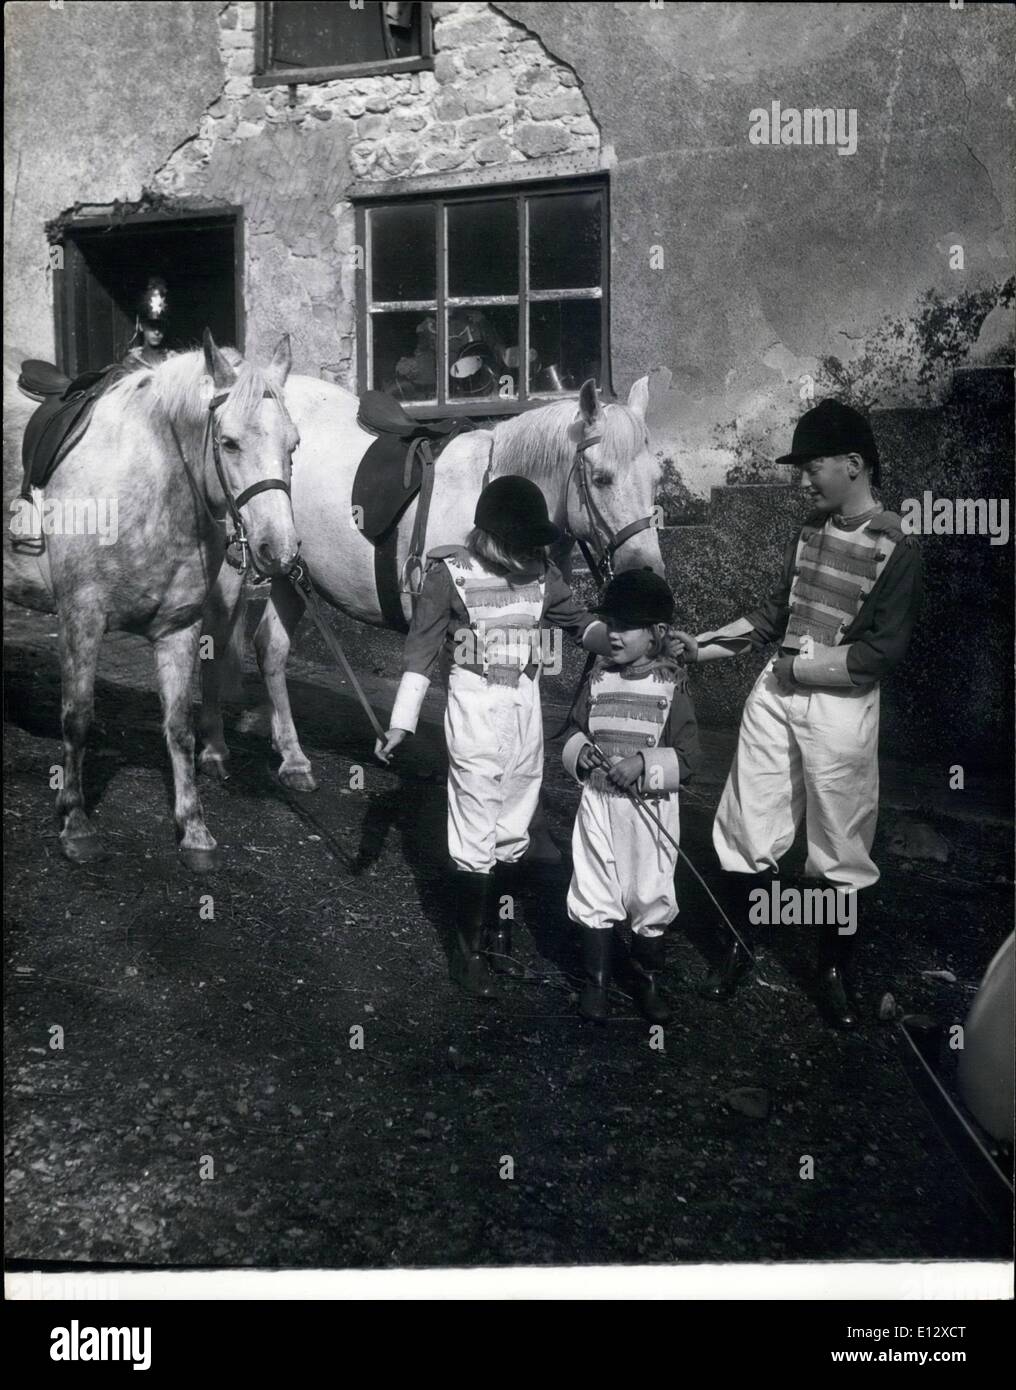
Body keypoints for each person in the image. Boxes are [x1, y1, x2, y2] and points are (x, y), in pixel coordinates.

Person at [689, 398, 923, 1028]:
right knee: (746, 820)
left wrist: (802, 669)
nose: (804, 479)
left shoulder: (898, 548)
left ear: (854, 464)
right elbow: (774, 617)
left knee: (841, 842)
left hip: (840, 706)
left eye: (812, 466)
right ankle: (739, 949)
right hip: (776, 696)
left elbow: (879, 654)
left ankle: (833, 971)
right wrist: (700, 647)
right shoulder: (808, 532)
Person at [374, 475, 611, 997]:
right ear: (495, 537)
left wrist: (612, 639)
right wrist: (401, 723)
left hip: (525, 705)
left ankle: (500, 926)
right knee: (476, 818)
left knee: (515, 817)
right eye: (524, 541)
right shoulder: (450, 572)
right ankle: (468, 950)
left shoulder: (541, 572)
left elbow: (577, 622)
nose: (533, 550)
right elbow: (421, 651)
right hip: (475, 704)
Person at [561, 570, 700, 1024]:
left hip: (649, 811)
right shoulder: (598, 681)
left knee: (649, 888)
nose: (613, 634)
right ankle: (596, 981)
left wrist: (643, 763)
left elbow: (690, 759)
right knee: (593, 883)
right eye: (610, 624)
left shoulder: (669, 688)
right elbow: (575, 732)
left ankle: (646, 980)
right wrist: (580, 756)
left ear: (657, 633)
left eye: (626, 626)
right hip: (598, 805)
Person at [123, 278, 172, 368]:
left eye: (161, 326)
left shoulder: (173, 360)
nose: (157, 332)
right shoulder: (131, 362)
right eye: (152, 326)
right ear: (141, 326)